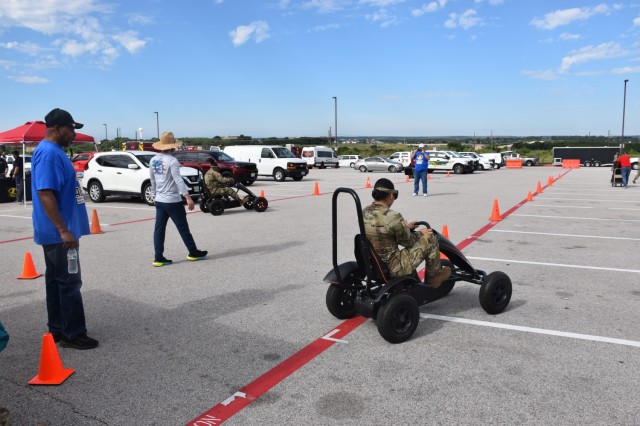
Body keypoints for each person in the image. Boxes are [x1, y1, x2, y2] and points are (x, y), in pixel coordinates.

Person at [32, 108, 98, 350]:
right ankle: (73, 334)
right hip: (59, 234)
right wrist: (63, 230)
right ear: (57, 128)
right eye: (71, 129)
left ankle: (58, 328)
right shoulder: (49, 153)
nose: (74, 134)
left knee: (56, 281)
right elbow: (45, 192)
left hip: (58, 232)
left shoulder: (53, 151)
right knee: (69, 282)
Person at [363, 178, 451, 288]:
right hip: (393, 267)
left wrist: (406, 227)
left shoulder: (365, 211)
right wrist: (421, 233)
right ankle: (434, 278)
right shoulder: (393, 216)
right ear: (391, 195)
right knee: (430, 239)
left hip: (375, 264)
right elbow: (408, 242)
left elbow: (383, 232)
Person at [149, 132, 207, 267]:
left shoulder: (153, 160)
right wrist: (188, 197)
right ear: (172, 147)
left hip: (160, 200)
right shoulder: (172, 161)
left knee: (159, 229)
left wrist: (154, 195)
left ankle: (158, 257)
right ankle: (193, 252)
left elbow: (152, 179)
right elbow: (178, 180)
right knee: (182, 227)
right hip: (173, 200)